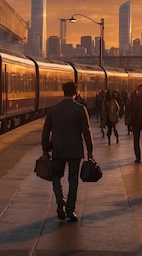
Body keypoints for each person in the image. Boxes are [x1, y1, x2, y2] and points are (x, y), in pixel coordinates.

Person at [42, 82, 94, 221]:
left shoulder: (53, 109)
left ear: (63, 92)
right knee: (73, 179)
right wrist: (90, 149)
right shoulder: (80, 109)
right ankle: (70, 210)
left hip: (58, 148)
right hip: (75, 149)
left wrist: (45, 149)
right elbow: (86, 131)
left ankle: (60, 200)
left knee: (56, 176)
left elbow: (46, 131)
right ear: (75, 92)